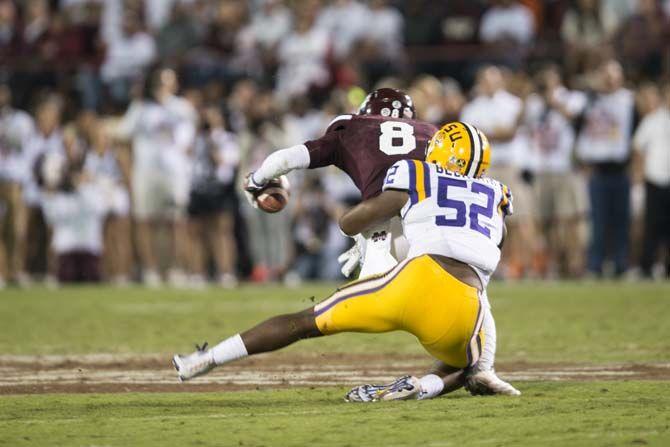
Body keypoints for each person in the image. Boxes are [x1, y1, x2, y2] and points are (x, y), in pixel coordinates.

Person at [173, 122, 520, 400]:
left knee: (304, 323)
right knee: (470, 363)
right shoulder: (497, 195)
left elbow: (353, 220)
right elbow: (490, 242)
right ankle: (423, 386)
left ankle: (207, 358)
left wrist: (369, 232)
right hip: (465, 304)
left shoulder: (418, 172)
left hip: (414, 282)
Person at [575, 59, 634, 277]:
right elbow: (578, 130)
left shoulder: (628, 100)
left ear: (621, 77)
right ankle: (595, 265)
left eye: (614, 74)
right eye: (606, 74)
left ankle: (621, 265)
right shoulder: (589, 100)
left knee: (621, 220)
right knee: (597, 221)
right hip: (597, 169)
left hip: (620, 168)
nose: (610, 79)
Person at [632, 82, 670, 279]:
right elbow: (638, 146)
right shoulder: (653, 120)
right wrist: (639, 175)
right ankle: (647, 267)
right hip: (655, 178)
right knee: (652, 225)